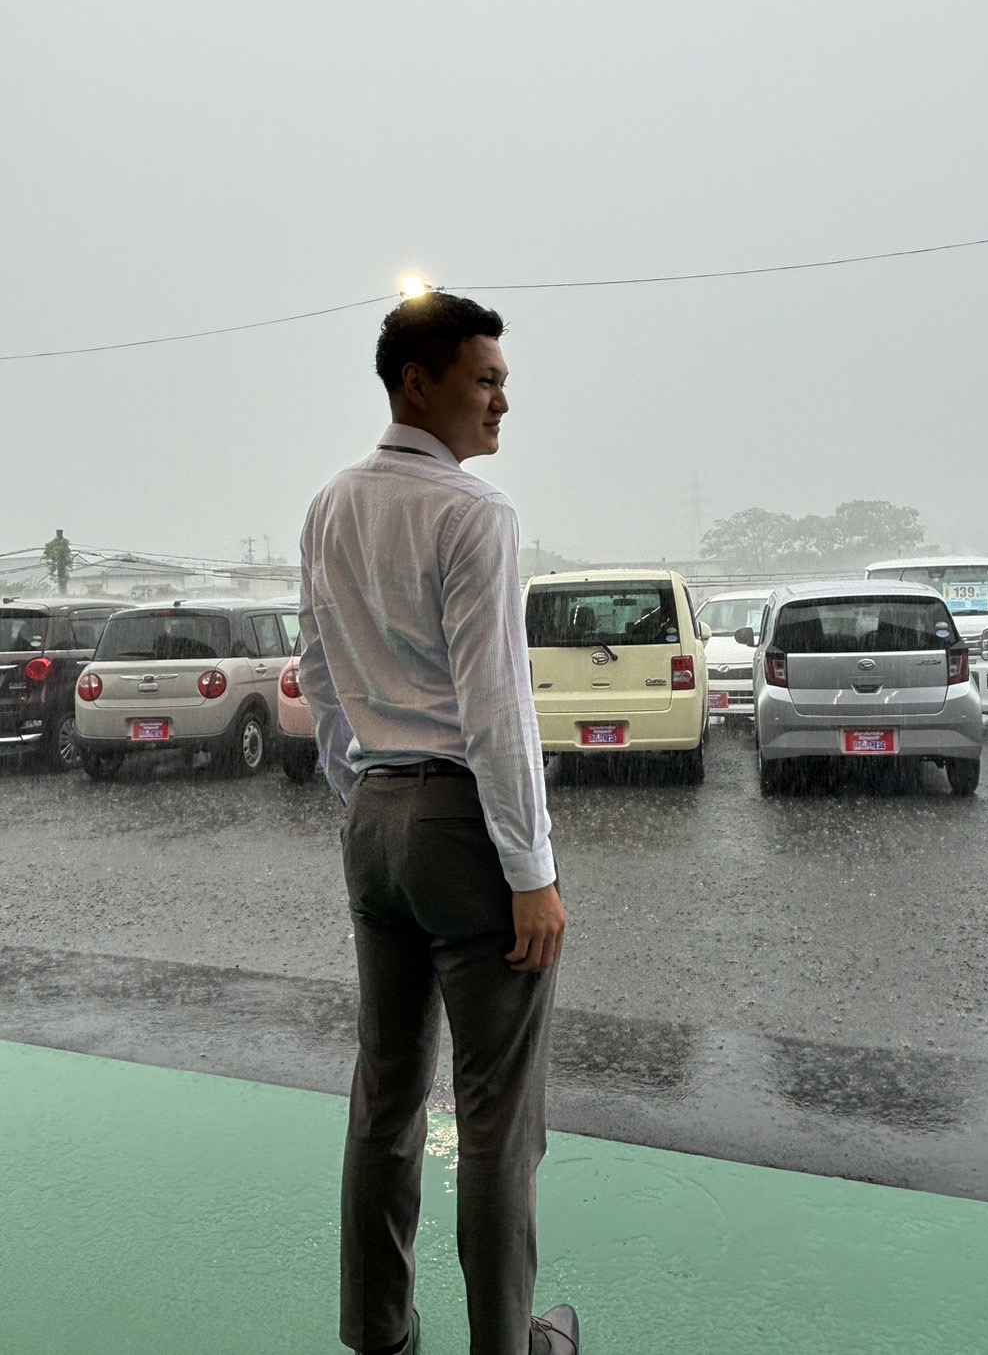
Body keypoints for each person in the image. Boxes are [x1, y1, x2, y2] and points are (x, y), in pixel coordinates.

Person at [298, 291, 579, 1355]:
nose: (503, 399)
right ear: (419, 381)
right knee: (499, 1119)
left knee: (385, 1096)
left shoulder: (330, 504)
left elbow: (318, 674)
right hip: (464, 824)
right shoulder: (476, 512)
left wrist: (364, 794)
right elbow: (496, 701)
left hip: (374, 817)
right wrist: (531, 868)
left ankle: (379, 1337)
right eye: (485, 379)